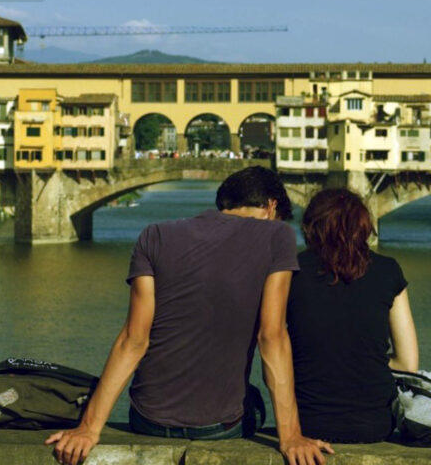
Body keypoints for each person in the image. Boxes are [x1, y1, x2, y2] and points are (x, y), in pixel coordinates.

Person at [45, 166, 334, 465]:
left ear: (223, 203)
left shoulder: (153, 235)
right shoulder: (277, 235)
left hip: (147, 419)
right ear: (272, 206)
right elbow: (271, 337)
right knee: (253, 402)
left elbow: (133, 339)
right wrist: (291, 437)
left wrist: (88, 429)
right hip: (218, 428)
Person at [286, 188, 419, 443]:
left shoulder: (290, 272)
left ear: (310, 227)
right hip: (376, 423)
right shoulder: (388, 270)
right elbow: (407, 364)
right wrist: (363, 358)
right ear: (363, 226)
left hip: (307, 422)